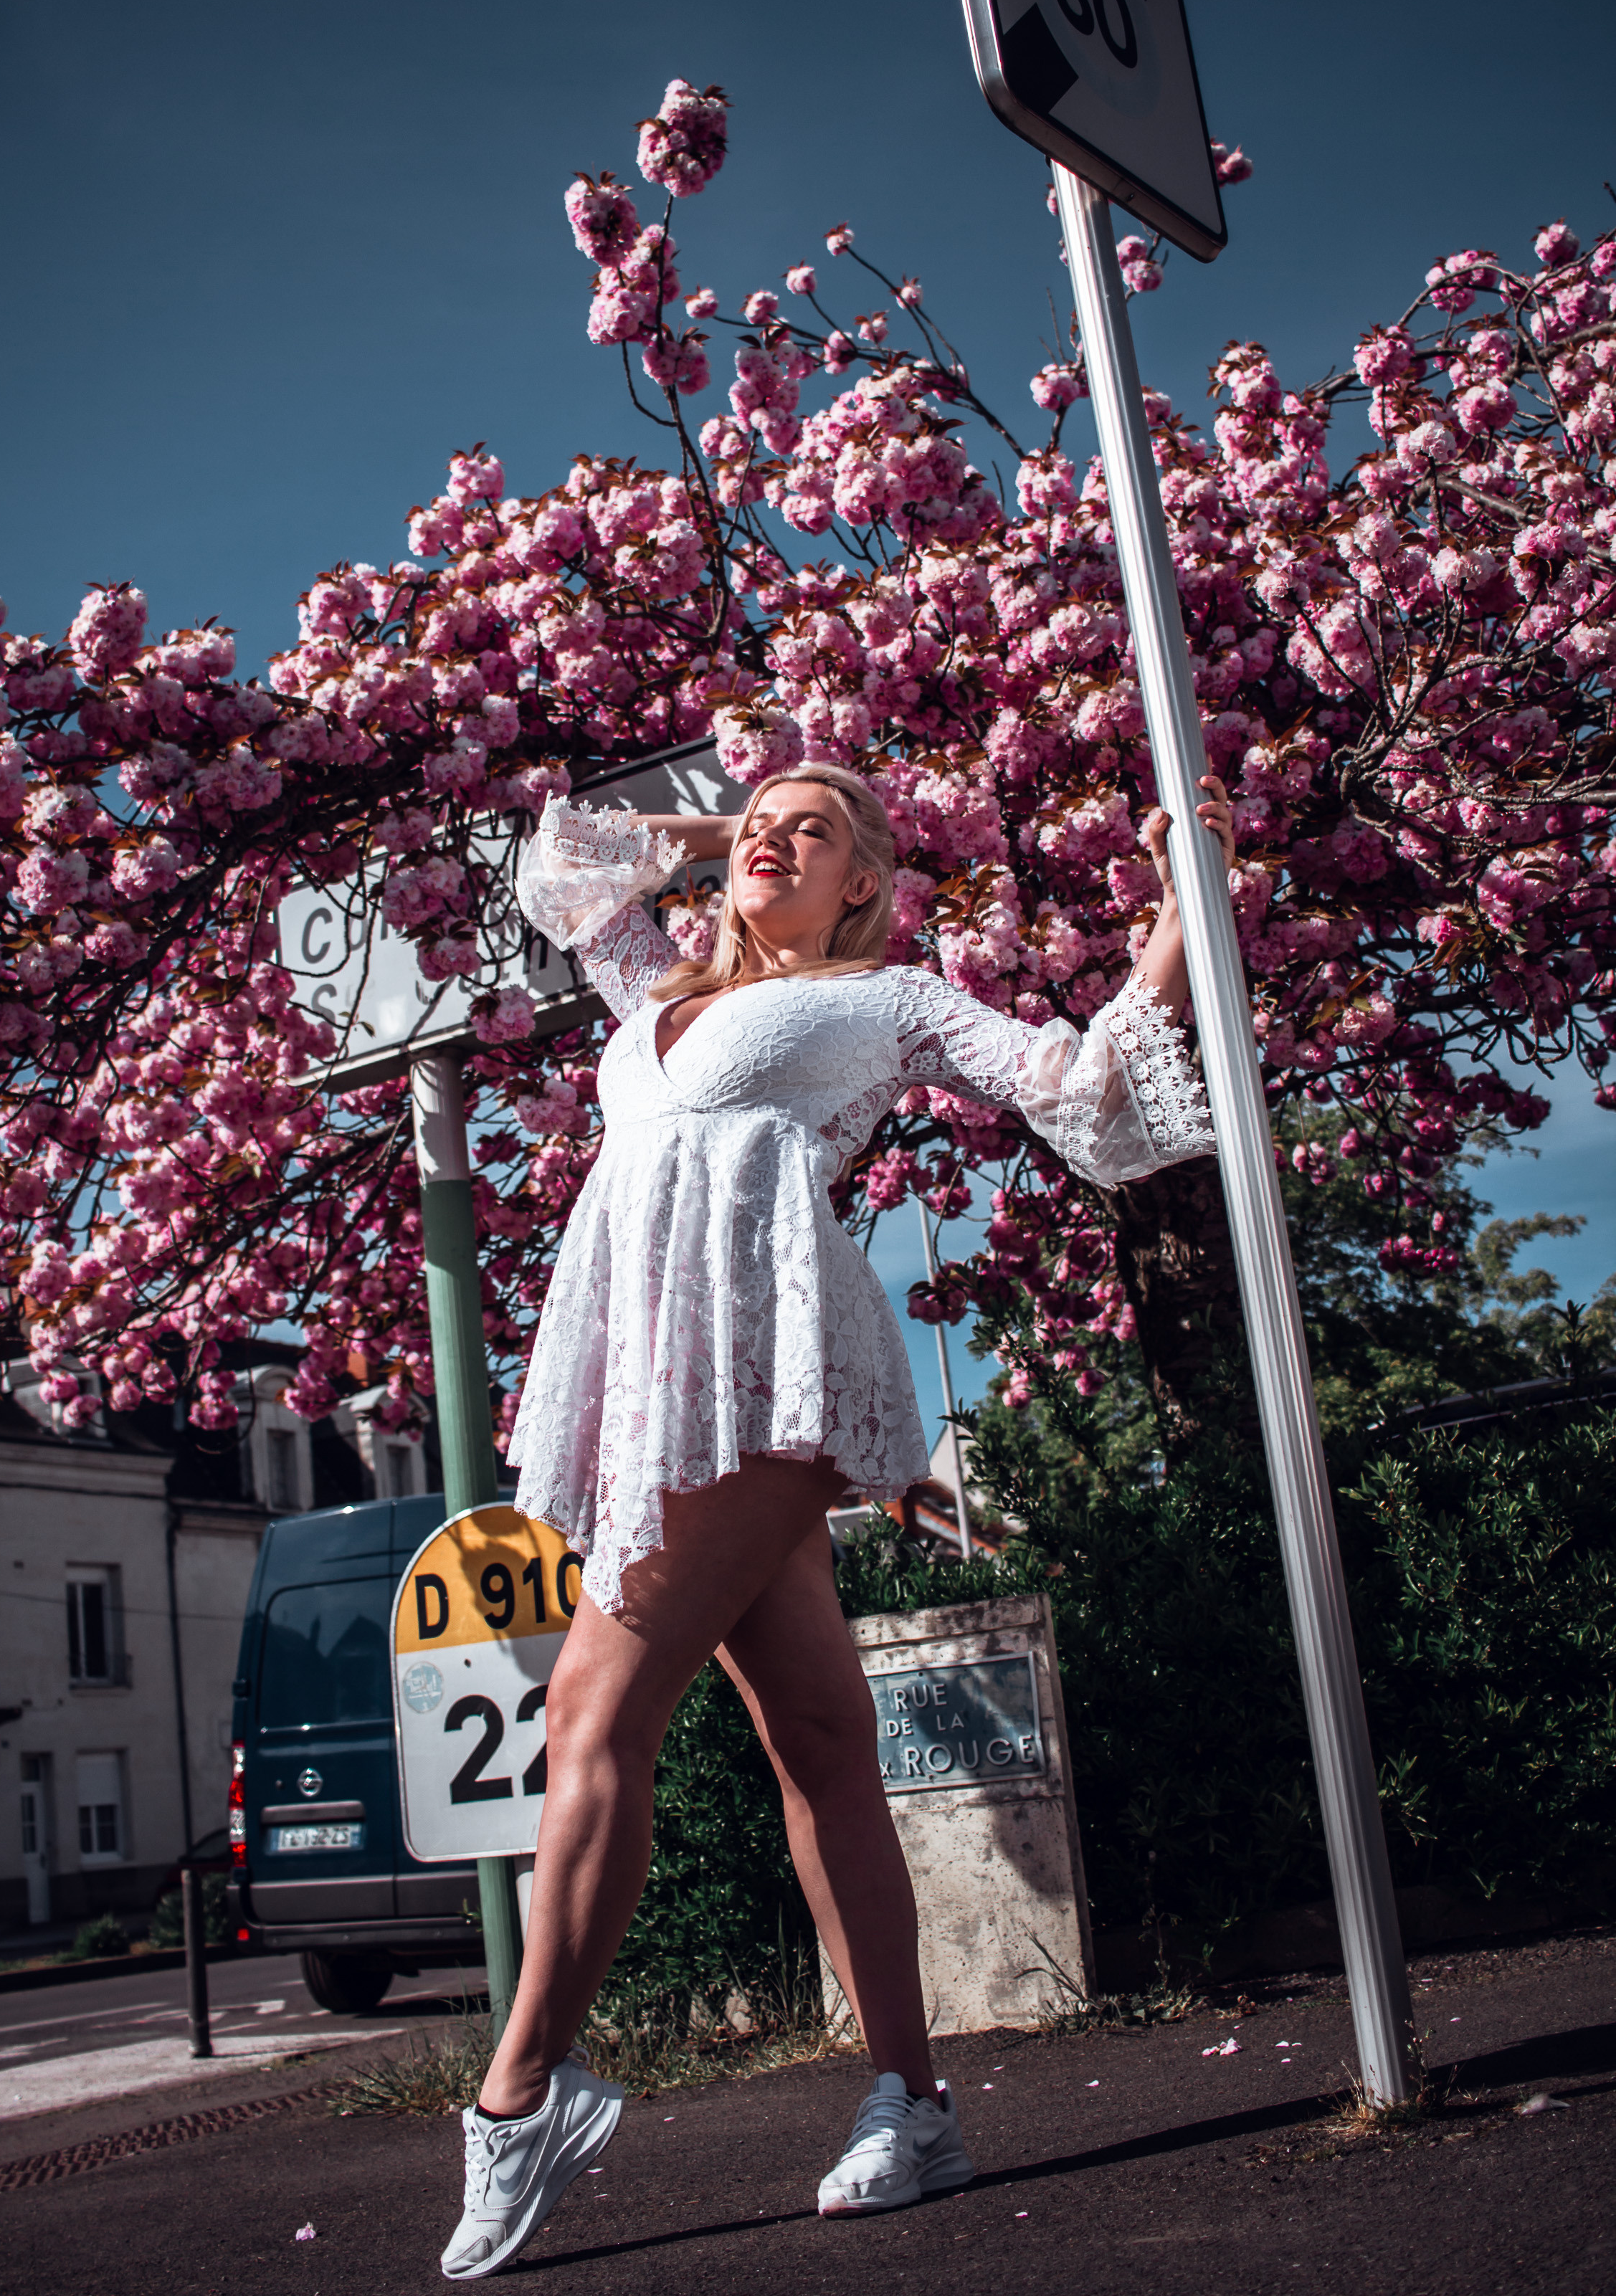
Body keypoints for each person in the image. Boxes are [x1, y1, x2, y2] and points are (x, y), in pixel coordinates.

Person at [440, 759, 1235, 2278]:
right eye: (763, 823)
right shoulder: (652, 991)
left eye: (816, 833)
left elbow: (1078, 1082)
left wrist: (1184, 900)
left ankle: (519, 2092)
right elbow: (562, 870)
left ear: (866, 880)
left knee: (597, 1708)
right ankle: (915, 2101)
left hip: (764, 1381)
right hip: (657, 1399)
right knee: (819, 1750)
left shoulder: (886, 1000)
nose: (773, 840)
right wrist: (714, 825)